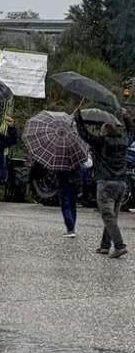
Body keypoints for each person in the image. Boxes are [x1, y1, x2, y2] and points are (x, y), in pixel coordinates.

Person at [74, 108, 130, 258]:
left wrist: (78, 119)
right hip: (121, 183)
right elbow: (132, 132)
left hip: (106, 183)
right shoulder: (124, 141)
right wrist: (126, 116)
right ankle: (105, 245)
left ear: (104, 132)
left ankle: (119, 245)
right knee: (112, 216)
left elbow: (85, 135)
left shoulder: (102, 142)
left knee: (107, 216)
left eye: (101, 130)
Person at [56, 166, 83, 237]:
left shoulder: (61, 162)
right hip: (75, 185)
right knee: (73, 207)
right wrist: (80, 188)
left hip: (64, 185)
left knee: (66, 207)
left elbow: (59, 176)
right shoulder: (76, 161)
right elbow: (79, 175)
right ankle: (72, 228)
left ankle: (70, 229)